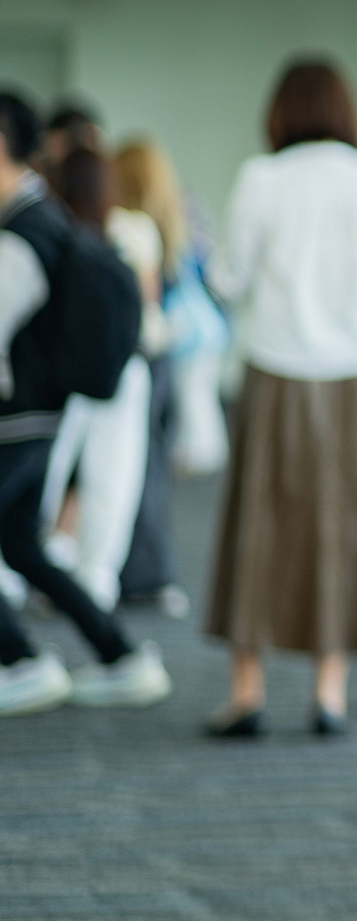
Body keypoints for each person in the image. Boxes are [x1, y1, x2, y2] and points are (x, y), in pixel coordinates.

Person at [204, 61, 357, 738]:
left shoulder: (262, 178)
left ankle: (247, 690)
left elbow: (231, 277)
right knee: (343, 527)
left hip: (274, 365)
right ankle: (329, 693)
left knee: (256, 524)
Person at [0, 89, 170, 715]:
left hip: (17, 416)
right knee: (22, 546)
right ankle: (118, 654)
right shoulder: (46, 218)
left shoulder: (23, 232)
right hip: (38, 414)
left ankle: (20, 659)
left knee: (24, 543)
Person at [42, 147, 159, 613]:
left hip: (62, 373)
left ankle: (27, 563)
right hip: (123, 368)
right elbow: (147, 304)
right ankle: (97, 577)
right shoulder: (130, 230)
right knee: (113, 478)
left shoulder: (50, 233)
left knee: (45, 470)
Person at [110, 138, 192, 613]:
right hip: (157, 357)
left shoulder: (118, 226)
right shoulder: (160, 228)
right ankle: (149, 571)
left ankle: (132, 571)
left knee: (129, 468)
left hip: (133, 357)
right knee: (149, 468)